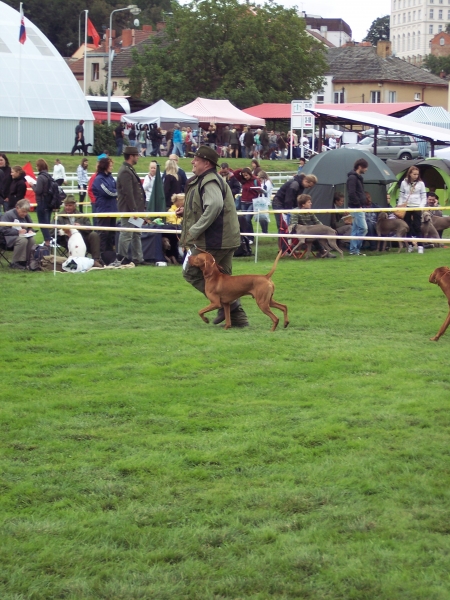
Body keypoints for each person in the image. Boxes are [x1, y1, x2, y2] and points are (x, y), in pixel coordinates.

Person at [179, 145, 247, 327]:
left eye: (196, 160)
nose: (192, 162)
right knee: (225, 278)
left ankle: (226, 304)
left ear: (206, 163)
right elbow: (207, 205)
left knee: (190, 272)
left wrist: (195, 230)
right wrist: (186, 211)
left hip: (214, 241)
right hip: (225, 239)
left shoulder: (209, 182)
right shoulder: (209, 180)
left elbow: (215, 205)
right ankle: (238, 319)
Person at [116, 146, 150, 266]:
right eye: (136, 155)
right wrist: (134, 211)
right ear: (131, 156)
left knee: (136, 233)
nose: (138, 157)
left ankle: (138, 258)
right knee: (127, 234)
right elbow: (128, 193)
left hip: (134, 210)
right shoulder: (125, 171)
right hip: (129, 210)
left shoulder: (128, 169)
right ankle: (121, 258)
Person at [56, 195, 101, 261]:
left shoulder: (82, 215)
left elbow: (90, 228)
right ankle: (71, 261)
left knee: (94, 235)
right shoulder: (59, 216)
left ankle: (96, 260)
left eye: (70, 205)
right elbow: (52, 230)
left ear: (75, 206)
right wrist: (64, 231)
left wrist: (81, 227)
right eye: (66, 205)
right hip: (66, 240)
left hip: (82, 239)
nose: (67, 207)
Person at [91, 157, 117, 254]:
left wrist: (116, 192)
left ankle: (109, 255)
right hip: (104, 210)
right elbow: (108, 192)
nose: (112, 167)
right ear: (105, 166)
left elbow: (116, 188)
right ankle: (100, 255)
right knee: (103, 234)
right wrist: (118, 193)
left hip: (112, 209)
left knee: (111, 234)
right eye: (110, 165)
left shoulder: (110, 177)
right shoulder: (99, 179)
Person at [0, 199, 35, 269]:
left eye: (26, 212)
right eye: (23, 211)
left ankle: (27, 261)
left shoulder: (26, 216)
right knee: (22, 240)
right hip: (6, 238)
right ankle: (16, 262)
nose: (25, 214)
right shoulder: (8, 215)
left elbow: (30, 226)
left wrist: (30, 230)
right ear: (17, 208)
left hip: (21, 236)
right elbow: (2, 229)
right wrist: (17, 232)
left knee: (31, 239)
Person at [399, 165, 427, 251]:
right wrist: (400, 206)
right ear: (410, 174)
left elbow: (424, 197)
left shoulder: (421, 184)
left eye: (417, 174)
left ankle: (420, 246)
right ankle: (410, 245)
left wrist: (421, 207)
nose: (416, 176)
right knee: (407, 226)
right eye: (414, 174)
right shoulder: (403, 183)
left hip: (417, 207)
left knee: (417, 226)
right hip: (407, 207)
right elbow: (401, 196)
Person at [347, 158, 369, 256]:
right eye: (365, 167)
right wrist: (358, 204)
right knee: (363, 228)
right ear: (360, 167)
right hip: (356, 207)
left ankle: (353, 250)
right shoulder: (353, 178)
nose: (366, 169)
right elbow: (351, 193)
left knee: (356, 229)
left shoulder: (357, 178)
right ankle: (355, 249)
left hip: (358, 206)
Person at [32, 159, 53, 245]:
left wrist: (32, 186)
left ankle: (47, 242)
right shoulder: (49, 176)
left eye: (36, 166)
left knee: (42, 223)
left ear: (39, 166)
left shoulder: (41, 177)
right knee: (47, 223)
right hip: (49, 202)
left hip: (42, 202)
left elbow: (38, 191)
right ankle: (49, 241)